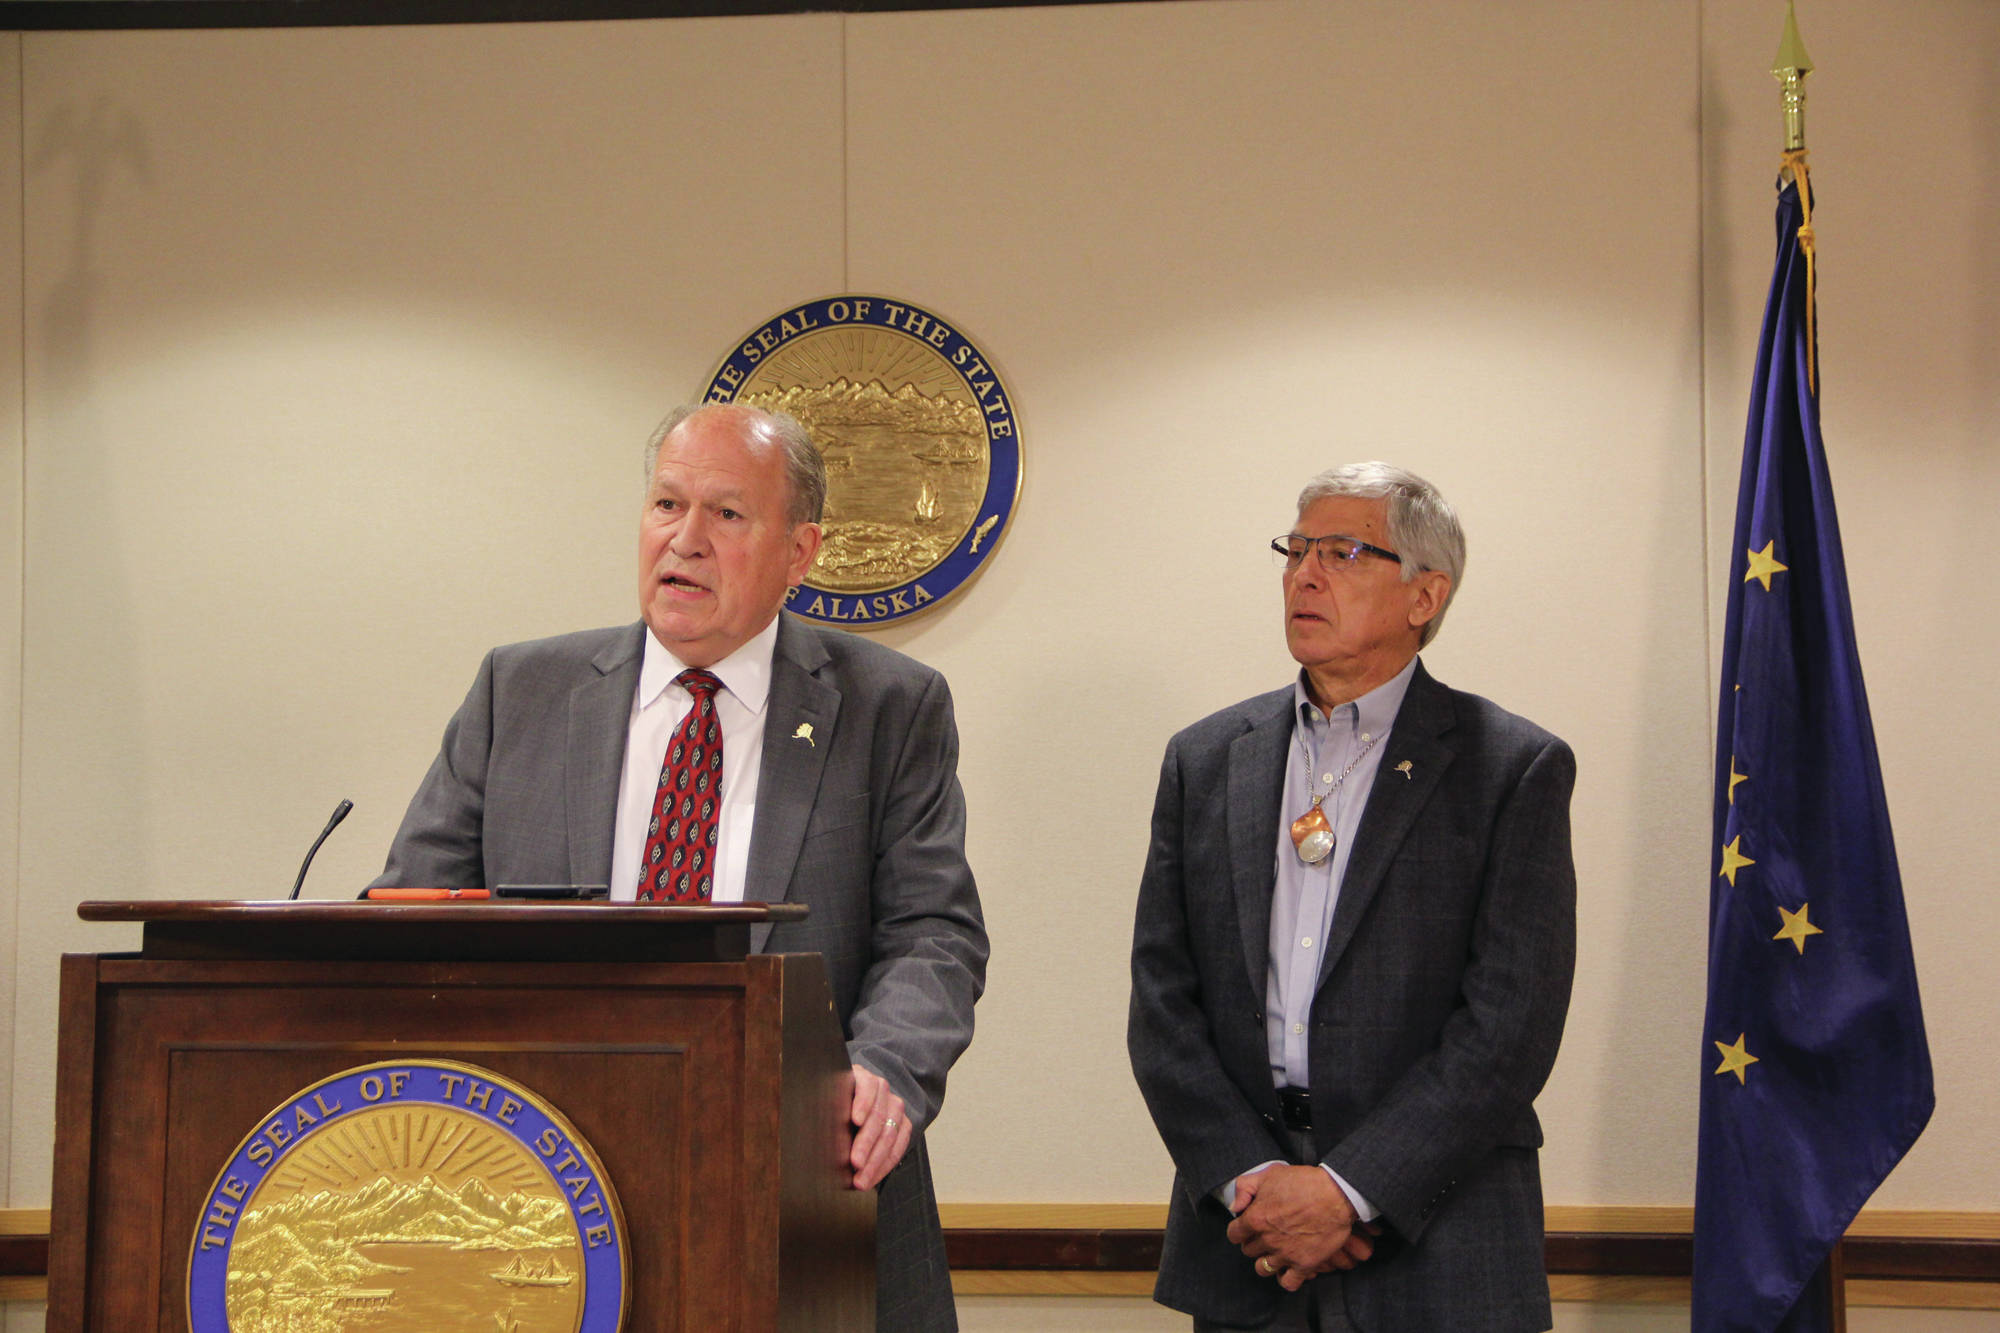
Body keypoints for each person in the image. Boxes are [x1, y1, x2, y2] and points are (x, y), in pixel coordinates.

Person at [373, 402, 988, 1331]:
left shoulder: (888, 706)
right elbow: (412, 911)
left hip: (807, 1191)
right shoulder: (520, 690)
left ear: (800, 552)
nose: (685, 539)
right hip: (538, 1191)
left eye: (727, 513)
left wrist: (886, 1070)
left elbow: (933, 931)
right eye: (667, 504)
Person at [1127, 462, 1575, 1332]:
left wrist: (1349, 1190)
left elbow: (1509, 1025)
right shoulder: (1206, 758)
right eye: (1295, 550)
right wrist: (1254, 1182)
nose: (1304, 574)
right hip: (1248, 1237)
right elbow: (1162, 1003)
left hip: (1439, 1240)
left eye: (1341, 552)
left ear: (1425, 596)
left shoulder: (1509, 766)